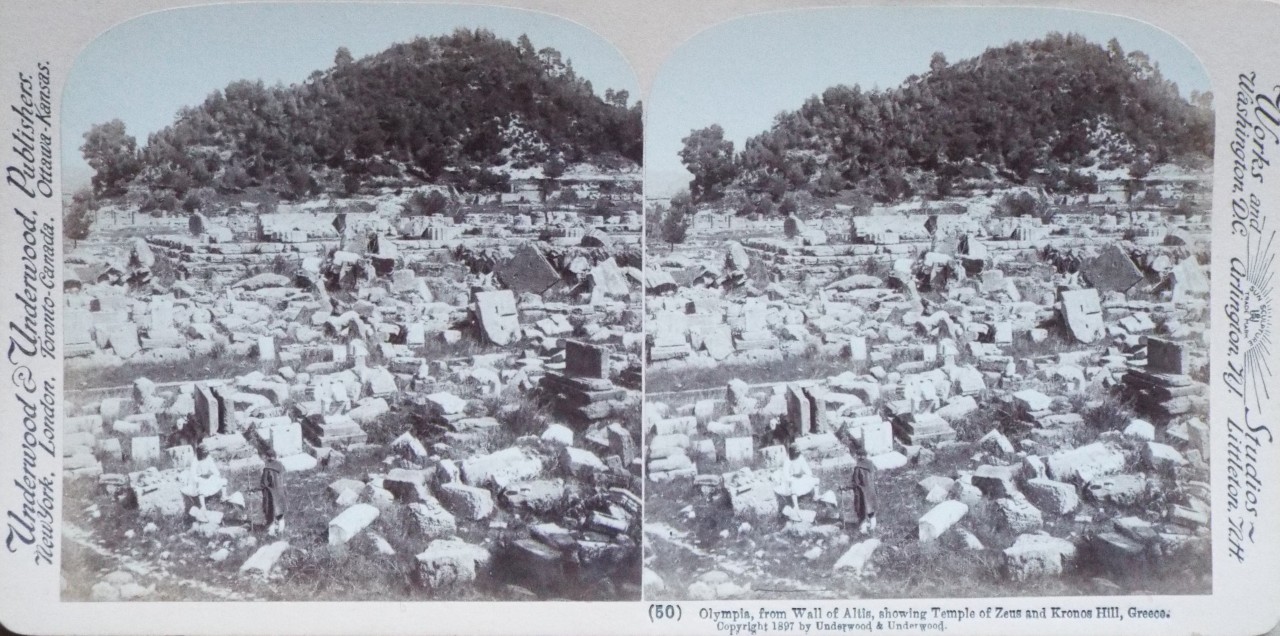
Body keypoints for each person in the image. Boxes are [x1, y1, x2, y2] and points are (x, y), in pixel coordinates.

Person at [773, 444, 819, 520]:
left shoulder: (800, 458)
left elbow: (806, 468)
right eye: (795, 453)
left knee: (815, 480)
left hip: (800, 477)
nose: (796, 454)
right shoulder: (788, 460)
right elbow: (786, 474)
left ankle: (815, 496)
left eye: (797, 453)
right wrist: (790, 479)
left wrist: (810, 475)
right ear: (791, 453)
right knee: (793, 487)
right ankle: (796, 505)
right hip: (791, 479)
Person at [260, 448, 287, 536]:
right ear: (275, 456)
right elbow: (284, 478)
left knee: (270, 511)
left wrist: (257, 488)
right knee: (280, 511)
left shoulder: (267, 468)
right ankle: (281, 529)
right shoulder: (281, 466)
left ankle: (271, 531)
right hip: (281, 492)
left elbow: (264, 483)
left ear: (267, 457)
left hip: (270, 494)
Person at [850, 453, 878, 534]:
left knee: (862, 511)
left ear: (859, 457)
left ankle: (863, 530)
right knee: (871, 510)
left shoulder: (858, 468)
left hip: (862, 493)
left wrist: (844, 487)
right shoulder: (871, 464)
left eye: (857, 456)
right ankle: (873, 527)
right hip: (872, 491)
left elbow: (855, 483)